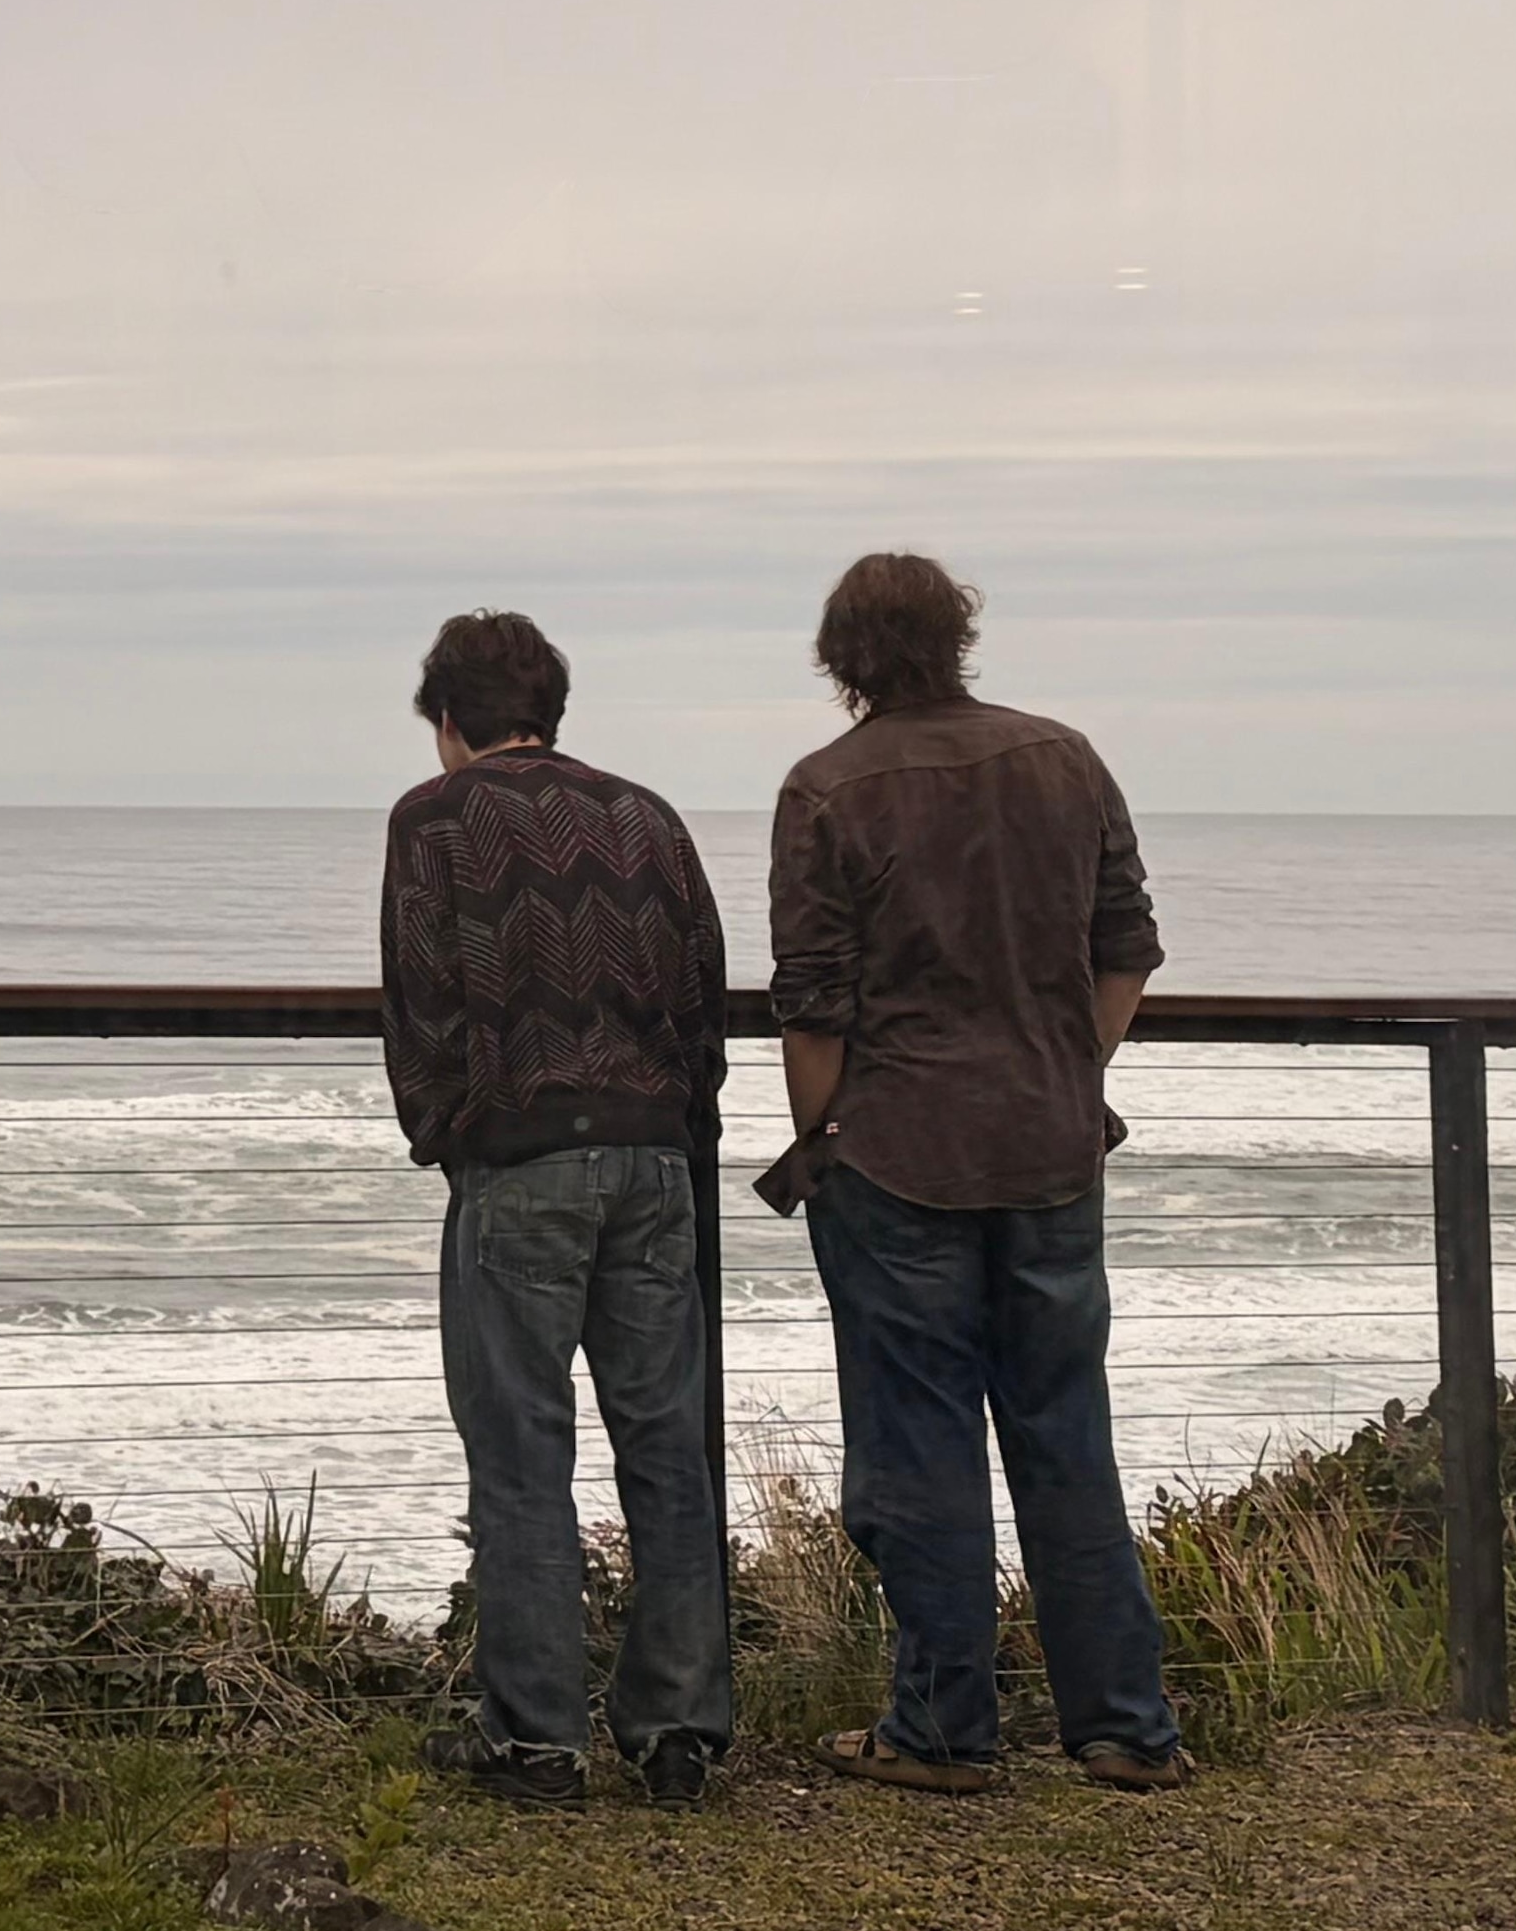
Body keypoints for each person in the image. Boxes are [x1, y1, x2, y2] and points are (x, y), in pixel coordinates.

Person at [762, 551, 1190, 1793]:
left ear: (840, 660)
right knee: (1066, 1435)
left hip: (898, 1154)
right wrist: (1064, 1064)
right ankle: (1120, 1724)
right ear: (957, 639)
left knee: (920, 1447)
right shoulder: (1062, 756)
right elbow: (1127, 952)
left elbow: (812, 1010)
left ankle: (943, 1729)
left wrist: (823, 1137)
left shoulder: (826, 790)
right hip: (1050, 1145)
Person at [378, 608, 738, 1808]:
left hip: (522, 1163)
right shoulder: (648, 816)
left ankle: (537, 1737)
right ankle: (677, 1728)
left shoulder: (431, 821)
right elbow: (702, 1003)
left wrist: (447, 1139)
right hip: (651, 1158)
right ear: (552, 710)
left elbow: (422, 1002)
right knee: (664, 1448)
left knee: (521, 1453)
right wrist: (683, 1140)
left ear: (446, 721)